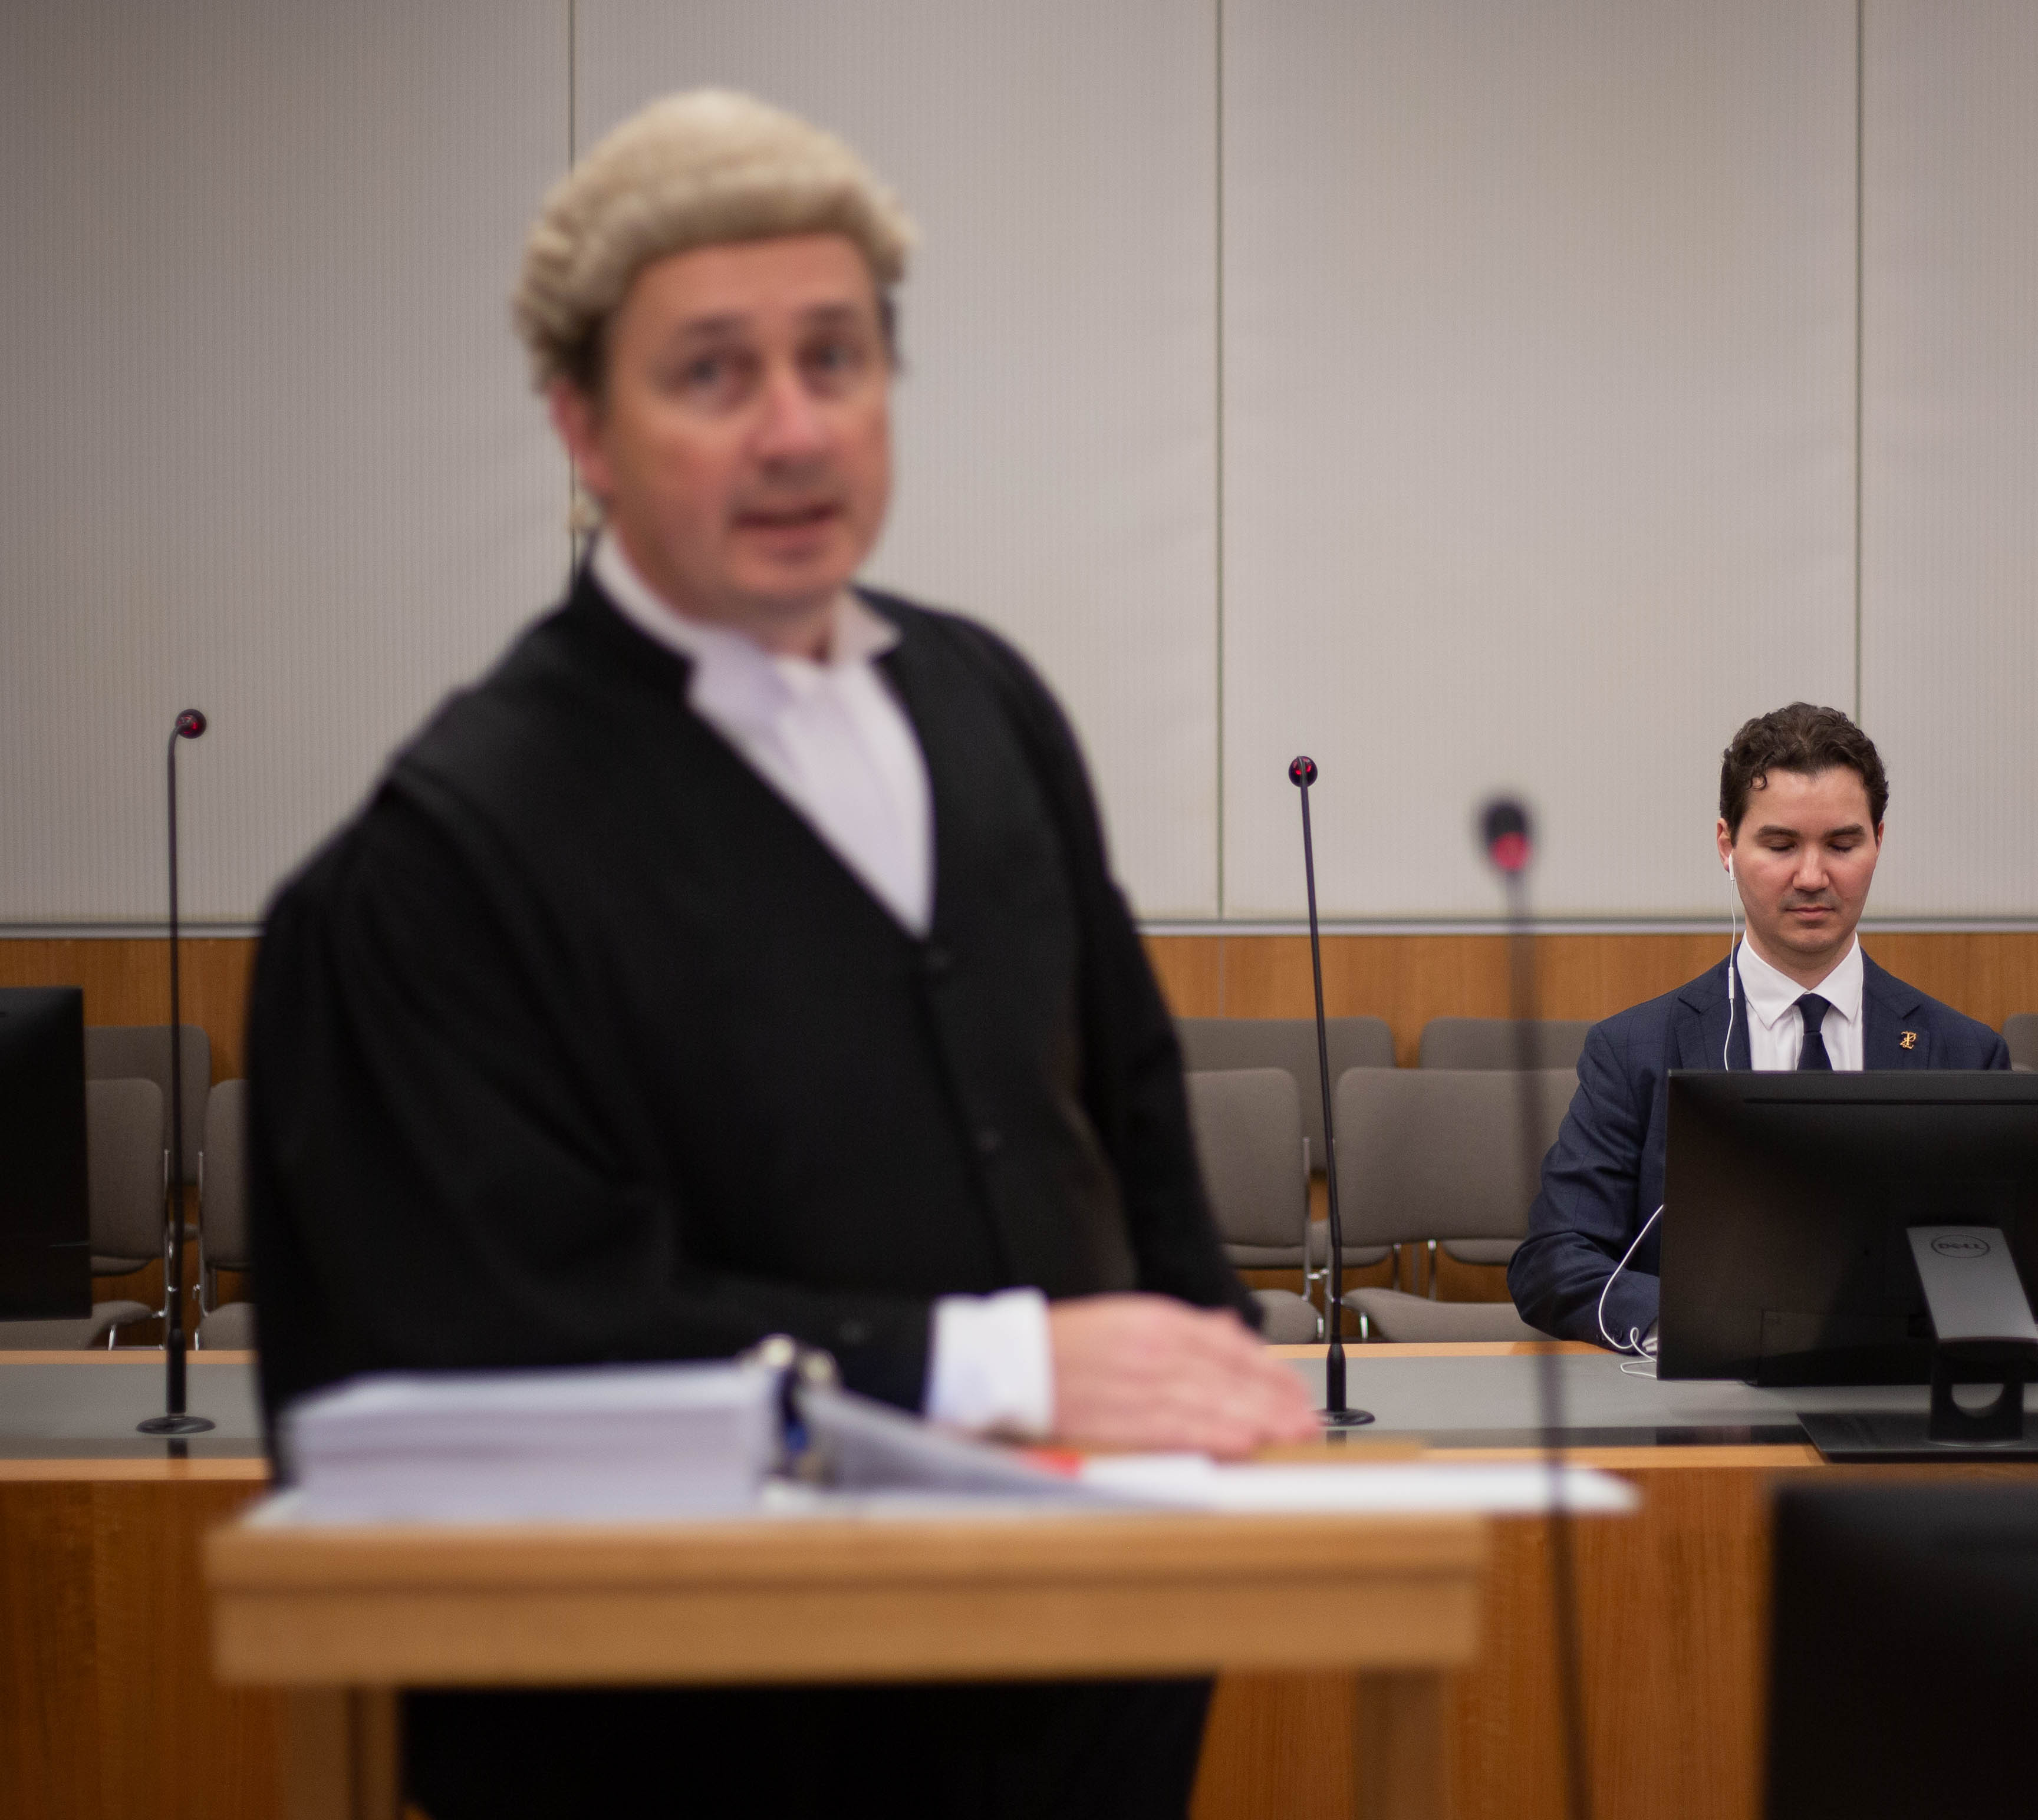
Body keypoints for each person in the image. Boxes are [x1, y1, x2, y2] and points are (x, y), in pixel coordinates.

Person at [244, 89, 1314, 1818]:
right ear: (580, 425)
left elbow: (1120, 1103)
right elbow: (505, 1344)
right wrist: (1004, 1364)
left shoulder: (983, 702)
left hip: (1080, 1683)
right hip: (681, 1734)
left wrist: (1202, 1365)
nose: (792, 431)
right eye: (712, 375)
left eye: (835, 360)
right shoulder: (445, 859)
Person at [1507, 703, 2009, 1350]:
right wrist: (1699, 1325)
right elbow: (1554, 1260)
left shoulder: (1963, 1054)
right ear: (1727, 845)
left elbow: (2000, 1271)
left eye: (1842, 844)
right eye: (1780, 845)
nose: (1812, 876)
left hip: (1902, 1409)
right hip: (1702, 1412)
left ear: (1879, 841)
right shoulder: (1632, 1050)